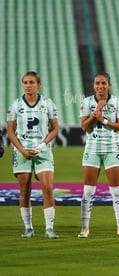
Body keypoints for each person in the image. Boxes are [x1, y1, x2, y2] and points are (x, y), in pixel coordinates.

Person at [6, 71, 59, 239]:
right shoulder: (15, 105)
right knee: (24, 190)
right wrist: (22, 150)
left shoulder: (48, 103)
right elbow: (10, 132)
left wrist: (42, 145)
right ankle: (28, 228)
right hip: (22, 152)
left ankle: (49, 228)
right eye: (25, 82)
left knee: (48, 188)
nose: (28, 85)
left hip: (42, 151)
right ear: (22, 84)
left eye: (32, 82)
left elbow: (55, 128)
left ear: (38, 84)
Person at [78, 72, 119, 238]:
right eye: (97, 83)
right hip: (92, 150)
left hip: (111, 150)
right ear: (93, 86)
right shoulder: (86, 102)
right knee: (88, 191)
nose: (100, 86)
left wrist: (104, 120)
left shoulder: (117, 102)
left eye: (103, 83)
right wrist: (96, 113)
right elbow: (84, 127)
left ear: (109, 85)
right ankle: (84, 229)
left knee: (116, 192)